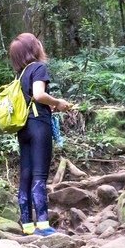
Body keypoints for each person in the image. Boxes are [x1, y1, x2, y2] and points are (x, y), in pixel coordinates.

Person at [8, 33, 74, 237]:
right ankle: (43, 226)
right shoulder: (38, 68)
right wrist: (58, 103)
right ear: (33, 48)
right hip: (38, 126)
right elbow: (39, 95)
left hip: (23, 128)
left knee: (26, 175)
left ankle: (27, 225)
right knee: (39, 175)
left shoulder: (19, 76)